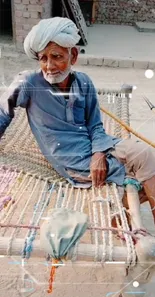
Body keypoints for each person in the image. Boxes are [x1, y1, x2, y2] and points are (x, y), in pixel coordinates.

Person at [0, 17, 155, 221]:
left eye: (56, 56)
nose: (49, 66)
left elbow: (95, 124)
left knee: (146, 155)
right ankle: (121, 219)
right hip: (71, 158)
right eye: (43, 58)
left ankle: (125, 217)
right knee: (140, 175)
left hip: (97, 146)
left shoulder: (84, 82)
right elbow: (3, 112)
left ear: (73, 55)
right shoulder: (28, 82)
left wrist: (98, 153)